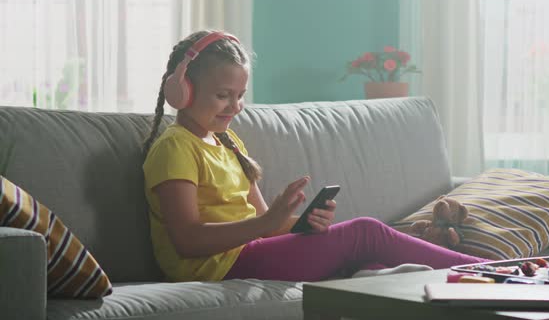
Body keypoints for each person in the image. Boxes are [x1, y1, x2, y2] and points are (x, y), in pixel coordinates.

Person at [142, 30, 488, 283]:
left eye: (240, 95)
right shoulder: (176, 147)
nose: (235, 107)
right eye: (222, 95)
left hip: (246, 253)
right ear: (182, 90)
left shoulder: (228, 143)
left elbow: (266, 225)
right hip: (215, 267)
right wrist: (265, 225)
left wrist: (301, 222)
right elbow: (186, 241)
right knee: (365, 233)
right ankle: (487, 270)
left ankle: (379, 277)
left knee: (373, 260)